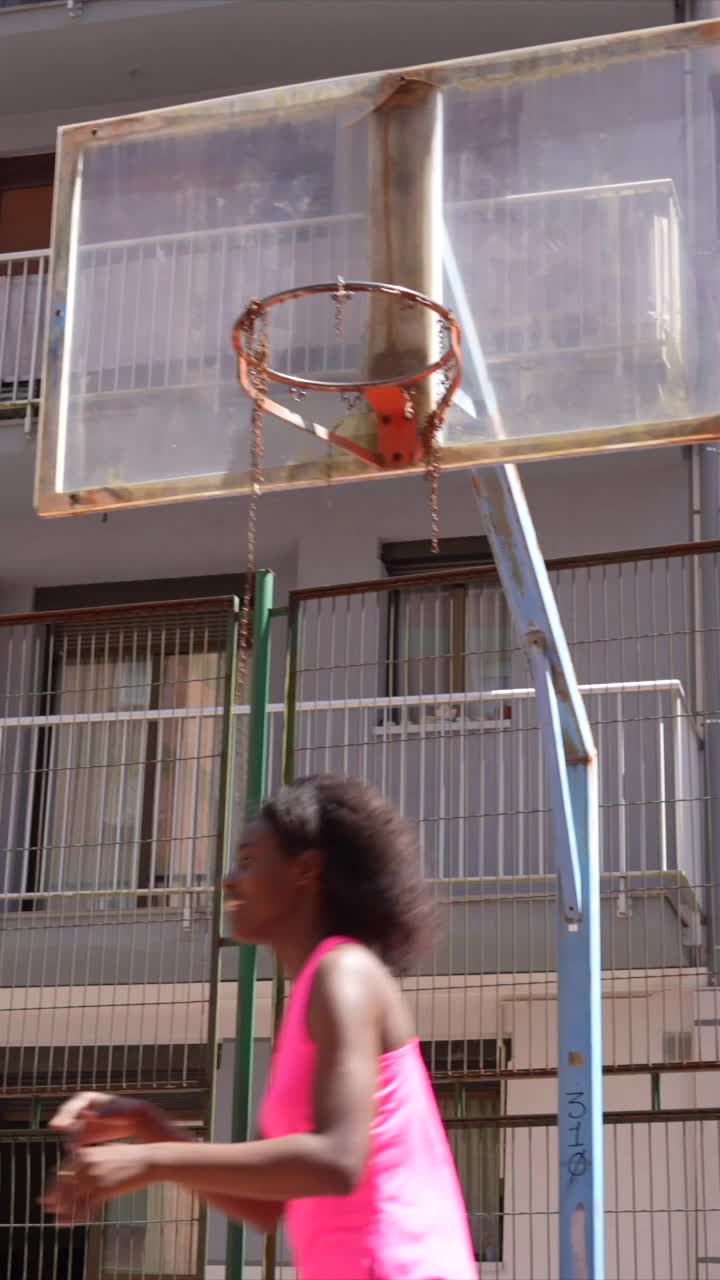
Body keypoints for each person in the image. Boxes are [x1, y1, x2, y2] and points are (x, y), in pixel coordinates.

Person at [45, 774, 478, 1280]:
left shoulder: (345, 973)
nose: (229, 880)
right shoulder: (311, 996)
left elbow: (338, 1159)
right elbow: (265, 1208)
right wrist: (149, 1124)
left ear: (306, 870)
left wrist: (152, 1160)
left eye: (249, 860)